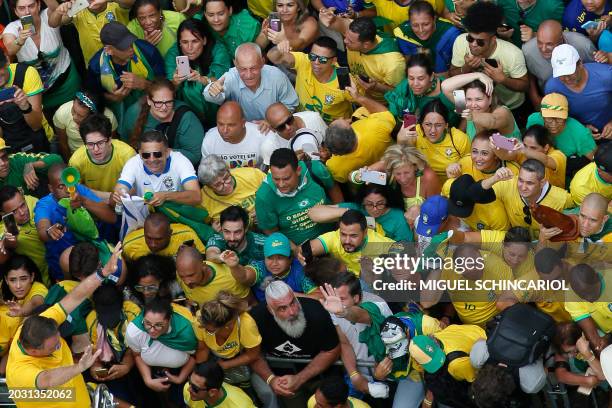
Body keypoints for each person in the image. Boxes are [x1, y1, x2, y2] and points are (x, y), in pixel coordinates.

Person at [5, 243, 122, 408]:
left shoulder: (41, 322)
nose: (60, 346)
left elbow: (75, 297)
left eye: (59, 341)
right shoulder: (20, 372)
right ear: (33, 351)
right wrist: (80, 366)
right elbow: (48, 379)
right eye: (54, 347)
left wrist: (103, 273)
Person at [250, 281, 340, 408]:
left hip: (321, 377)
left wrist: (299, 378)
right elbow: (253, 355)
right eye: (282, 308)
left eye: (293, 302)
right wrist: (271, 380)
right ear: (270, 310)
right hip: (284, 382)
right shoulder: (256, 319)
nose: (292, 312)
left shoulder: (316, 312)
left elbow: (332, 350)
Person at [34, 163, 117, 280]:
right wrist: (50, 231)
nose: (68, 190)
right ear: (51, 188)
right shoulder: (45, 205)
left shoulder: (79, 191)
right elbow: (42, 230)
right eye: (61, 186)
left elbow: (112, 217)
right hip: (63, 266)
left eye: (70, 184)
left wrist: (84, 201)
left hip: (91, 259)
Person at [318, 274, 391, 404]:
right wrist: (354, 375)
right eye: (334, 298)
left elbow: (361, 316)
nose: (336, 303)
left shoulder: (377, 304)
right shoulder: (334, 307)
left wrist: (343, 312)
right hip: (358, 372)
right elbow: (345, 343)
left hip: (386, 374)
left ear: (356, 297)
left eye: (342, 299)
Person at [2, 0, 80, 117]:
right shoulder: (12, 28)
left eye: (31, 6)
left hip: (66, 82)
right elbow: (10, 49)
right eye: (22, 8)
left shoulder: (48, 15)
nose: (27, 11)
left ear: (38, 6)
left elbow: (64, 16)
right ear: (16, 12)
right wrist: (20, 40)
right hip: (40, 93)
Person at [449, 2, 529, 113]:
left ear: (493, 40)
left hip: (508, 107)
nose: (473, 44)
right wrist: (466, 68)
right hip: (471, 106)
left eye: (480, 42)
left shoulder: (513, 54)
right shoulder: (460, 41)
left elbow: (525, 86)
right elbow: (451, 76)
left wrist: (503, 79)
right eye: (470, 38)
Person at [86, 22, 165, 131]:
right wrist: (112, 97)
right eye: (123, 47)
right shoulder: (96, 66)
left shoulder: (148, 52)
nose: (131, 49)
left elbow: (166, 86)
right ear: (109, 50)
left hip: (151, 110)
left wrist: (145, 84)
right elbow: (92, 95)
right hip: (118, 117)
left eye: (131, 43)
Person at [255, 148, 335, 245]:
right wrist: (295, 250)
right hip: (300, 252)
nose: (281, 184)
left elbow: (335, 192)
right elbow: (271, 231)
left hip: (334, 239)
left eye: (286, 178)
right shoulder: (264, 196)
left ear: (298, 170)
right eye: (276, 179)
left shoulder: (315, 170)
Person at [126, 297, 197, 405]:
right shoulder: (135, 331)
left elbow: (195, 356)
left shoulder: (185, 331)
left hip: (182, 372)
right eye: (147, 323)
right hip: (150, 371)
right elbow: (137, 355)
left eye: (159, 325)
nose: (152, 330)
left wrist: (180, 378)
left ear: (169, 320)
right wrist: (148, 380)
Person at [476, 159, 574, 237]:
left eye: (529, 183)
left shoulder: (562, 198)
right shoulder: (508, 184)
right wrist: (494, 179)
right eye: (521, 180)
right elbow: (477, 194)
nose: (523, 187)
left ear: (542, 183)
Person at [204, 42, 298, 122]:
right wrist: (212, 89)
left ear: (262, 62)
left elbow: (291, 104)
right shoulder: (231, 76)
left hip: (276, 128)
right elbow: (210, 96)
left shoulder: (276, 76)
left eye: (253, 68)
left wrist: (272, 122)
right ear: (236, 64)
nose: (248, 75)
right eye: (243, 69)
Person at [445, 131, 520, 231]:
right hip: (468, 217)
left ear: (496, 155)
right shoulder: (465, 162)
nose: (478, 158)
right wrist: (453, 176)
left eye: (484, 153)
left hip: (498, 225)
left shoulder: (512, 171)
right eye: (474, 151)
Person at [267, 36, 352, 123]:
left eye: (323, 59)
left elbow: (361, 104)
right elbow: (272, 57)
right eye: (313, 56)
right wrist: (279, 48)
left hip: (331, 128)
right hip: (302, 121)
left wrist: (347, 123)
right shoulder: (304, 61)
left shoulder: (343, 79)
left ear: (334, 60)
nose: (316, 63)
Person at [320, 16, 405, 103]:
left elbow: (400, 93)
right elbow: (337, 22)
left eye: (350, 41)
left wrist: (376, 87)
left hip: (379, 104)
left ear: (366, 45)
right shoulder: (354, 35)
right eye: (345, 35)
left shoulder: (393, 63)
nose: (345, 41)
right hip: (356, 95)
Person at [124, 77, 205, 167]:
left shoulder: (186, 117)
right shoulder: (134, 113)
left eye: (169, 102)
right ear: (149, 100)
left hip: (177, 168)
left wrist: (162, 152)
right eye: (158, 103)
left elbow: (195, 155)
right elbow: (125, 146)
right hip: (143, 166)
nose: (164, 107)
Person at [166, 18, 231, 127]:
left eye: (195, 41)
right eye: (185, 42)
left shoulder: (218, 50)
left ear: (204, 40)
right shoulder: (173, 55)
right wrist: (175, 83)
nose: (189, 48)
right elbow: (167, 91)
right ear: (179, 42)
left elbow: (221, 81)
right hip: (188, 118)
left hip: (219, 115)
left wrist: (202, 79)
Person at [324, 83, 395, 184]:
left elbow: (348, 178)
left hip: (368, 188)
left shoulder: (334, 167)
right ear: (352, 132)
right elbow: (383, 112)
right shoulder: (376, 128)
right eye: (346, 121)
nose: (342, 118)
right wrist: (358, 97)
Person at [113, 130, 201, 208]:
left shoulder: (180, 161)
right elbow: (121, 188)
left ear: (167, 152)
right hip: (146, 215)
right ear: (140, 154)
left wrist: (166, 196)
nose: (152, 159)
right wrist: (120, 194)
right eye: (146, 155)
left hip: (177, 213)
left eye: (157, 154)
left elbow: (196, 196)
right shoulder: (133, 163)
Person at [86, 283, 141, 408]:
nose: (109, 320)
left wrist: (127, 365)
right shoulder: (92, 320)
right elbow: (95, 352)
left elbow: (139, 347)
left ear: (122, 305)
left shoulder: (132, 313)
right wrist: (95, 367)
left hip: (137, 361)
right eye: (103, 314)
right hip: (113, 367)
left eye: (112, 313)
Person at [193, 292, 261, 389]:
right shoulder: (202, 321)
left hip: (241, 357)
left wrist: (226, 365)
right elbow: (202, 349)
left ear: (227, 326)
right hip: (215, 358)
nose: (205, 331)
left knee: (247, 386)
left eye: (210, 331)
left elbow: (253, 354)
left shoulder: (246, 324)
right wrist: (200, 371)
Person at [222, 232, 317, 301]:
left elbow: (319, 297)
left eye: (280, 258)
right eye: (270, 258)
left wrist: (289, 294)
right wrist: (234, 266)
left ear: (290, 259)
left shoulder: (300, 269)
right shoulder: (260, 267)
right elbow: (245, 277)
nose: (274, 263)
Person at [522, 20, 597, 107]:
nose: (543, 49)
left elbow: (595, 71)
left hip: (584, 97)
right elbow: (530, 73)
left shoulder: (583, 45)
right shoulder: (528, 51)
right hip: (552, 101)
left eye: (549, 44)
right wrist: (535, 96)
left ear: (561, 39)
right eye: (539, 43)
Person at [545, 44, 612, 138]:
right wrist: (580, 129)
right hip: (579, 139)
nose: (567, 78)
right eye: (561, 74)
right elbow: (555, 118)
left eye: (570, 72)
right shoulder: (552, 88)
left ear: (580, 63)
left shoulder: (606, 75)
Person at [301, 210, 395, 277]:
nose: (347, 241)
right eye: (343, 234)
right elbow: (306, 249)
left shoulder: (380, 243)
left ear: (365, 232)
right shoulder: (334, 237)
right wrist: (303, 255)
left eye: (353, 236)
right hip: (345, 283)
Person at [409, 326, 485, 407]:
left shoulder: (455, 365)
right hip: (482, 334)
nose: (439, 362)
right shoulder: (439, 334)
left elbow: (480, 382)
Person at [308, 184, 413, 241]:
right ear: (362, 202)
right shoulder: (356, 208)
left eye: (380, 204)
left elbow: (405, 250)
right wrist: (348, 212)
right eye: (369, 204)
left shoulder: (398, 217)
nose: (375, 209)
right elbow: (313, 213)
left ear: (387, 201)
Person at [398, 99, 470, 183]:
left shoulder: (460, 138)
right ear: (421, 124)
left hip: (451, 184)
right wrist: (400, 140)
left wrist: (457, 170)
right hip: (423, 182)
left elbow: (469, 168)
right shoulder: (414, 132)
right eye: (428, 124)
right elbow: (403, 161)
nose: (433, 130)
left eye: (438, 125)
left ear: (446, 125)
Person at [69, 113, 135, 199]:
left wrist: (118, 197)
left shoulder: (127, 154)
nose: (96, 149)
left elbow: (137, 186)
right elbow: (76, 189)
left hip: (123, 201)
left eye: (100, 143)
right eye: (90, 144)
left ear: (109, 140)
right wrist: (109, 197)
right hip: (93, 202)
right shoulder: (76, 160)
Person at [48, 0, 133, 64]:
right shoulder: (78, 11)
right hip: (96, 64)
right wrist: (59, 11)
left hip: (125, 58)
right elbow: (53, 23)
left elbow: (131, 2)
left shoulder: (116, 5)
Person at [441, 72, 522, 140]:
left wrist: (472, 116)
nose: (473, 105)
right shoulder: (467, 108)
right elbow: (445, 87)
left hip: (512, 158)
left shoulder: (503, 111)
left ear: (490, 99)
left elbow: (493, 121)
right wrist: (478, 75)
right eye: (469, 99)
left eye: (478, 99)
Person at [0, 50, 53, 153]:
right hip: (9, 149)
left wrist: (25, 106)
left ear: (7, 60)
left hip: (39, 141)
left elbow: (36, 125)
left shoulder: (26, 73)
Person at [386, 53, 458, 127]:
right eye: (411, 78)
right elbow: (408, 125)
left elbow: (466, 117)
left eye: (421, 78)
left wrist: (457, 135)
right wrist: (412, 133)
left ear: (431, 76)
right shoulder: (405, 89)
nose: (415, 83)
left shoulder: (452, 89)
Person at [526, 93, 596, 164]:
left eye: (559, 119)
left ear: (567, 115)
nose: (554, 124)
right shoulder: (533, 121)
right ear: (541, 114)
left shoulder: (580, 133)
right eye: (549, 118)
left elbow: (595, 160)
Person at [198, 155, 265, 229]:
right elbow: (201, 226)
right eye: (218, 185)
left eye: (226, 178)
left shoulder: (252, 175)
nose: (226, 185)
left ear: (228, 170)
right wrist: (211, 229)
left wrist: (264, 209)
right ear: (209, 187)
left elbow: (275, 193)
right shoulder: (202, 200)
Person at [393, 1, 461, 74]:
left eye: (426, 24)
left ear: (434, 19)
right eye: (415, 25)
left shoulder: (451, 34)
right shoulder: (403, 34)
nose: (421, 30)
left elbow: (457, 69)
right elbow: (410, 64)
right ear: (409, 22)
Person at [175, 245, 251, 308]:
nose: (186, 282)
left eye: (191, 275)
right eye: (182, 276)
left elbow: (248, 304)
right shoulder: (181, 273)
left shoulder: (230, 278)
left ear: (203, 266)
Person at [0, 186, 48, 284]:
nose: (22, 212)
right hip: (40, 280)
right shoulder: (4, 230)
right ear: (3, 214)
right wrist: (8, 243)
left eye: (22, 205)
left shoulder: (33, 201)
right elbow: (2, 257)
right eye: (14, 212)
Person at [494, 124, 567, 188]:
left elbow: (546, 160)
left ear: (546, 147)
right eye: (525, 145)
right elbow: (505, 156)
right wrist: (496, 145)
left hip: (552, 198)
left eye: (533, 148)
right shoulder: (524, 152)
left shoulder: (559, 155)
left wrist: (524, 149)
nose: (528, 150)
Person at [53, 90, 119, 159]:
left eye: (80, 116)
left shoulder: (109, 118)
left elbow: (113, 143)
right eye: (73, 110)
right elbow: (63, 143)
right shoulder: (62, 113)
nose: (74, 117)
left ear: (93, 116)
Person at [201, 101, 266, 169]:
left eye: (231, 125)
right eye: (221, 124)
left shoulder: (262, 135)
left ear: (243, 123)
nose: (225, 130)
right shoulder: (210, 139)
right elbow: (207, 173)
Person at [261, 102, 329, 168]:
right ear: (273, 129)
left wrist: (327, 154)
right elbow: (274, 175)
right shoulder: (269, 146)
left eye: (289, 120)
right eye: (281, 127)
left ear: (292, 114)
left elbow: (332, 147)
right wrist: (292, 164)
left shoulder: (314, 119)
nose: (288, 128)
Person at [123, 212, 205, 262]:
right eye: (149, 238)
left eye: (159, 239)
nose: (153, 244)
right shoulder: (130, 245)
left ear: (170, 233)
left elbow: (204, 259)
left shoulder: (187, 236)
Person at [552, 322, 607, 390]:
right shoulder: (563, 344)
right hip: (589, 383)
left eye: (573, 351)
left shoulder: (598, 341)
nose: (570, 355)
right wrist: (588, 381)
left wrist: (587, 354)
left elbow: (603, 375)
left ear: (581, 341)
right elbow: (560, 375)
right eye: (567, 352)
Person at [184, 360, 256, 407]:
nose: (188, 389)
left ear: (212, 392)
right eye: (190, 382)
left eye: (195, 388)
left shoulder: (240, 405)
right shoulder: (188, 391)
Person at [495, 0, 564, 47]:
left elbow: (561, 38)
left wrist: (535, 36)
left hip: (537, 55)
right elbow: (497, 14)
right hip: (511, 50)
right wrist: (501, 29)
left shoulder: (553, 6)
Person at [307, 376, 372, 408]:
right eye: (316, 398)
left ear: (337, 406)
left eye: (320, 406)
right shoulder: (313, 400)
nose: (315, 405)